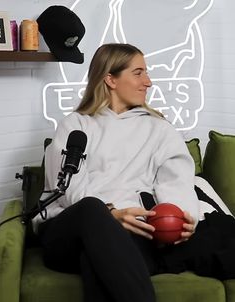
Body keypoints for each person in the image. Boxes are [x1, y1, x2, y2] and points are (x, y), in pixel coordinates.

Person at [34, 43, 199, 302]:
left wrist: (184, 217)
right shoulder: (76, 125)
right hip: (68, 231)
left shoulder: (159, 129)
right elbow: (68, 189)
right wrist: (111, 213)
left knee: (96, 258)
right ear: (110, 78)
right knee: (91, 209)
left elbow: (177, 179)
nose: (148, 82)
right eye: (138, 73)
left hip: (126, 234)